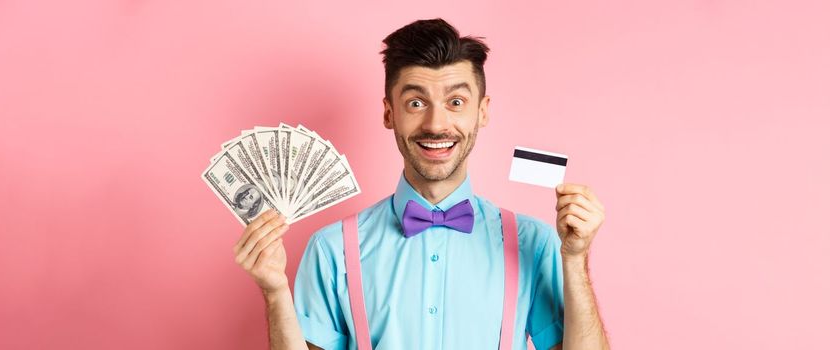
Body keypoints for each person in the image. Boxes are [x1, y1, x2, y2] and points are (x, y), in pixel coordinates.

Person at [232, 18, 609, 350]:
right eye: (416, 103)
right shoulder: (331, 249)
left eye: (456, 101)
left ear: (482, 111)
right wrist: (274, 291)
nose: (435, 124)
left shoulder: (535, 243)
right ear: (388, 112)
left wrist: (575, 261)